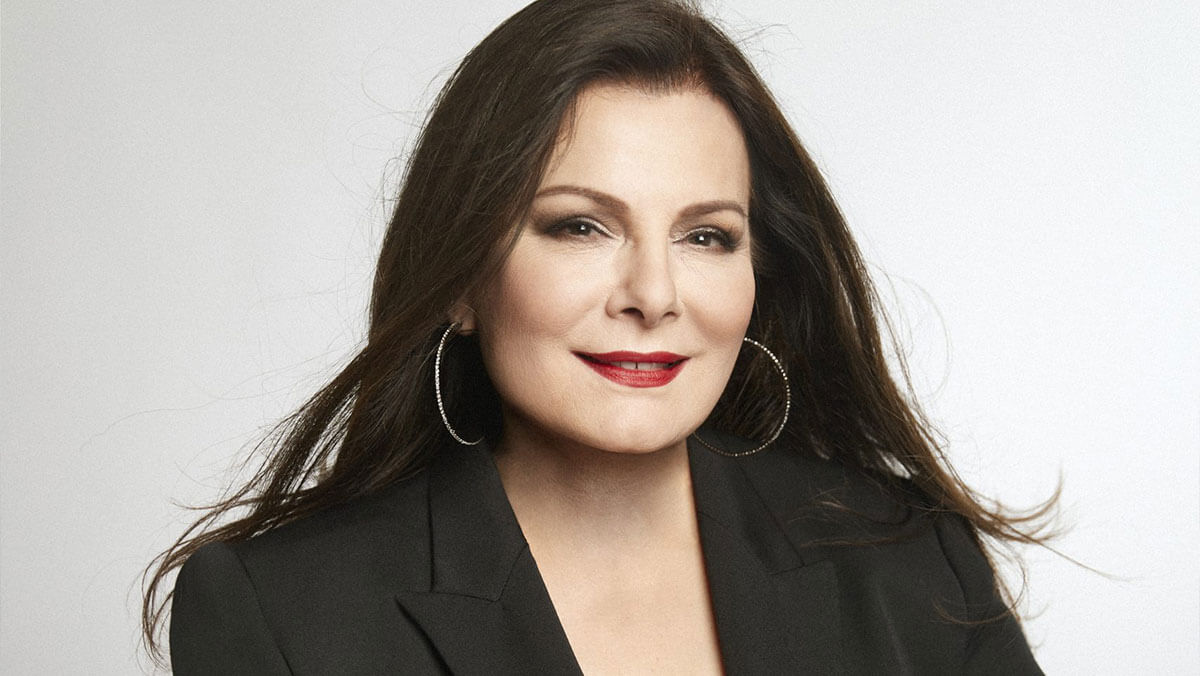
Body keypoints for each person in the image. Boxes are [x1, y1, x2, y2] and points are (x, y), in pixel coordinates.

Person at [144, 1, 1055, 673]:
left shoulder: (909, 558)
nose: (653, 295)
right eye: (580, 226)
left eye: (707, 237)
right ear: (462, 278)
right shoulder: (283, 612)